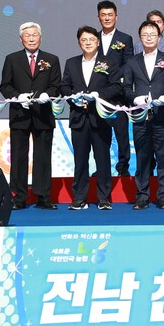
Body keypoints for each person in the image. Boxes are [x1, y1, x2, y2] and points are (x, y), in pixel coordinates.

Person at [0, 21, 62, 210]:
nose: (31, 38)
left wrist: (47, 95)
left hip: (43, 114)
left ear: (40, 37)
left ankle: (43, 197)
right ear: (21, 39)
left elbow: (56, 85)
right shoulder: (12, 59)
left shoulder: (52, 59)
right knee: (18, 157)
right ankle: (18, 197)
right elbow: (5, 85)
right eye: (27, 35)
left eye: (35, 35)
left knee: (43, 156)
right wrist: (17, 96)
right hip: (20, 114)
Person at [60, 26, 124, 210]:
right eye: (84, 40)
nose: (87, 43)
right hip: (78, 118)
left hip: (100, 118)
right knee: (80, 160)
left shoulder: (109, 62)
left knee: (102, 159)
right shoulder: (71, 63)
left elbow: (116, 87)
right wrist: (73, 97)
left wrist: (98, 95)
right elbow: (64, 86)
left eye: (91, 39)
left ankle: (104, 198)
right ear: (79, 43)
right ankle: (79, 198)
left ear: (98, 42)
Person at [124, 19, 164, 209]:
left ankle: (163, 196)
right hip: (140, 116)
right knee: (142, 157)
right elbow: (126, 87)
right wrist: (135, 99)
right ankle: (142, 196)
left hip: (162, 114)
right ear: (140, 38)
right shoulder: (132, 61)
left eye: (152, 35)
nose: (149, 38)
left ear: (159, 37)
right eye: (145, 35)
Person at [96, 0, 134, 176]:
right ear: (98, 17)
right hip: (99, 94)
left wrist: (114, 78)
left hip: (118, 94)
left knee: (121, 134)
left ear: (116, 17)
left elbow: (128, 65)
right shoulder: (93, 38)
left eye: (110, 15)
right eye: (103, 15)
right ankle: (101, 168)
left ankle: (123, 168)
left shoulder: (125, 39)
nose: (107, 18)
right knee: (100, 135)